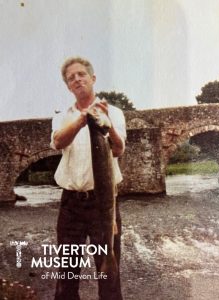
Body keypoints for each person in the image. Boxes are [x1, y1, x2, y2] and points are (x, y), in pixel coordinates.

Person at [50, 56, 126, 300]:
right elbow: (58, 141)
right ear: (68, 87)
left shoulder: (113, 112)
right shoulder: (63, 115)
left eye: (81, 74)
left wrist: (106, 123)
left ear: (93, 78)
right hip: (71, 203)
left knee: (108, 272)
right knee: (67, 272)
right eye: (71, 78)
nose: (77, 79)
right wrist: (82, 120)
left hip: (103, 202)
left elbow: (118, 149)